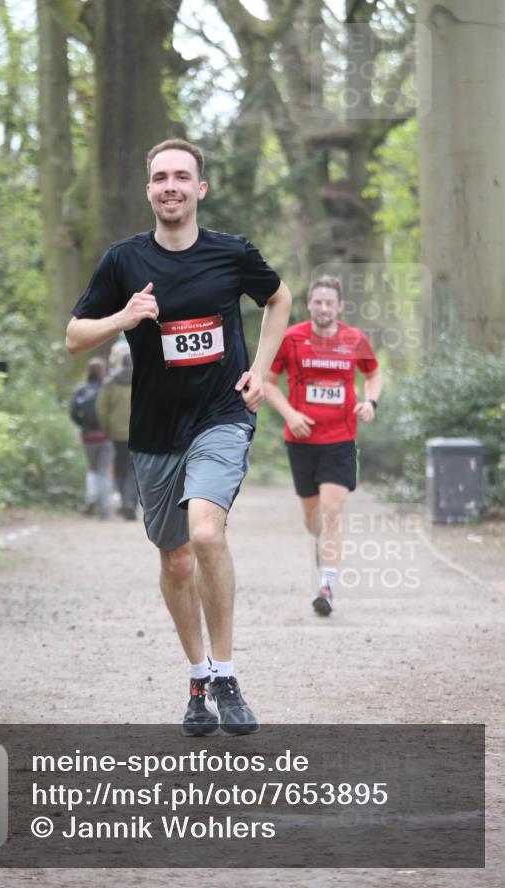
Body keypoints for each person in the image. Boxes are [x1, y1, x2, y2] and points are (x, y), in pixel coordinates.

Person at [66, 137, 291, 735]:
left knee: (204, 534)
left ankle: (226, 673)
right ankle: (197, 677)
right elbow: (73, 335)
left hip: (221, 416)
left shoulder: (232, 254)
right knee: (174, 559)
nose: (171, 186)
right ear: (149, 190)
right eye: (160, 176)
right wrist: (123, 318)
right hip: (153, 432)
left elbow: (278, 298)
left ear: (200, 188)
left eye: (181, 177)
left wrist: (261, 371)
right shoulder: (123, 261)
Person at [263, 275, 382, 616]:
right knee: (313, 520)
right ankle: (325, 548)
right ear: (309, 305)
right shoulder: (291, 339)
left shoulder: (354, 339)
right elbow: (269, 384)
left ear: (340, 306)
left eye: (330, 302)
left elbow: (373, 374)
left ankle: (326, 587)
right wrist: (290, 414)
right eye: (318, 302)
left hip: (340, 440)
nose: (324, 307)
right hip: (300, 440)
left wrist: (370, 403)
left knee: (331, 514)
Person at [70, 357, 113, 520]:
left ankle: (91, 498)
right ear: (103, 371)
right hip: (105, 436)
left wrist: (83, 425)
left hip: (88, 436)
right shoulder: (107, 388)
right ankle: (103, 508)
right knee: (104, 470)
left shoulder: (81, 390)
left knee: (92, 469)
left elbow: (73, 412)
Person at [97, 348, 138, 520]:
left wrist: (106, 429)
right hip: (137, 432)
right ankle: (130, 502)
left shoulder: (110, 383)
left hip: (115, 433)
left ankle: (121, 500)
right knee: (133, 469)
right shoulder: (140, 380)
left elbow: (102, 409)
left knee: (119, 468)